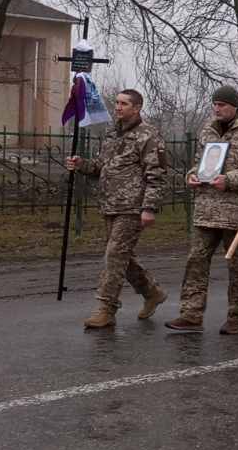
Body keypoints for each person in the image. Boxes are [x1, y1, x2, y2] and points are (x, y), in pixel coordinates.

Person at [166, 85, 238, 335]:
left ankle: (236, 317)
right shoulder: (208, 130)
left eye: (222, 104)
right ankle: (191, 313)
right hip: (206, 209)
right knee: (196, 262)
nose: (217, 108)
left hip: (236, 211)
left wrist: (230, 179)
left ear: (235, 106)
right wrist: (191, 176)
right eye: (215, 104)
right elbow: (199, 163)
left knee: (237, 267)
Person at [67, 88, 168, 330]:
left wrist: (149, 208)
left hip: (132, 207)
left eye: (124, 103)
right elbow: (101, 167)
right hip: (110, 205)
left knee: (114, 255)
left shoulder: (149, 136)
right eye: (117, 103)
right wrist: (81, 164)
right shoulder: (112, 134)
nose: (118, 107)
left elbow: (156, 175)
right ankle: (152, 292)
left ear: (137, 108)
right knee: (122, 257)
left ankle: (106, 308)